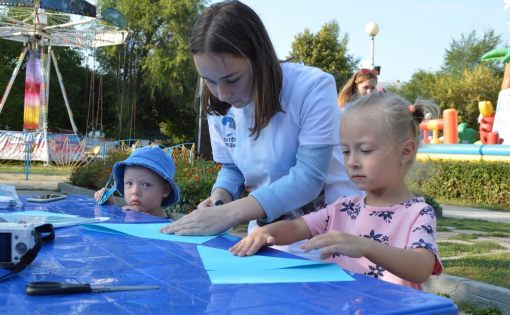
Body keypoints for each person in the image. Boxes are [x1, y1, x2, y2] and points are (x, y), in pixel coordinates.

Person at [160, 0, 359, 240]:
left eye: (232, 79)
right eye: (209, 80)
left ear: (259, 58)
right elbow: (232, 168)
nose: (222, 94)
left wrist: (230, 214)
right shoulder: (219, 104)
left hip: (328, 238)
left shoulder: (312, 87)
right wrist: (219, 200)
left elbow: (308, 177)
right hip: (265, 239)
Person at [230, 92, 443, 289]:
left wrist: (366, 246)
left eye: (365, 150)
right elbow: (295, 228)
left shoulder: (417, 213)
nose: (352, 162)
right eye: (346, 152)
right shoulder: (344, 208)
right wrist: (266, 232)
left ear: (405, 152)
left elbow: (422, 268)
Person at [94, 146, 180, 218]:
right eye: (129, 183)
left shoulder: (169, 229)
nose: (135, 191)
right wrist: (111, 208)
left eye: (146, 185)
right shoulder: (128, 214)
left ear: (165, 190)